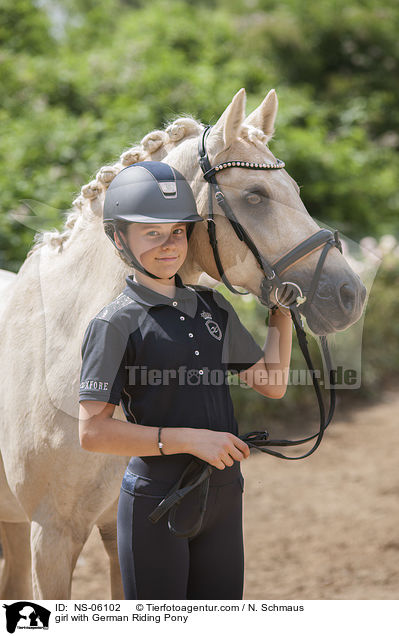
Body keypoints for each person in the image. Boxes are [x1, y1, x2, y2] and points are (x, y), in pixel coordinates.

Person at [78, 161, 293, 600]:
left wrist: (281, 313)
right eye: (152, 233)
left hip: (224, 492)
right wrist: (193, 439)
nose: (169, 245)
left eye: (177, 231)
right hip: (156, 502)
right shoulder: (114, 324)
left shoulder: (213, 307)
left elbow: (272, 382)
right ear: (120, 238)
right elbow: (93, 432)